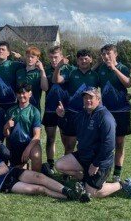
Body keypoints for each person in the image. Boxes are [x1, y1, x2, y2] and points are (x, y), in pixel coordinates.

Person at [55, 88, 131, 201]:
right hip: (84, 156)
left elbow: (109, 145)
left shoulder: (105, 117)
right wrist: (61, 117)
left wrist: (96, 163)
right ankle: (87, 179)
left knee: (92, 193)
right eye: (85, 97)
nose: (87, 100)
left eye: (91, 97)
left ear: (98, 99)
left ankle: (122, 185)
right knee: (59, 165)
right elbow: (69, 129)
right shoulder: (82, 114)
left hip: (100, 161)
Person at [0, 136, 82, 201]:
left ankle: (67, 190)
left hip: (12, 172)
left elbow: (4, 169)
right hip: (3, 185)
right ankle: (71, 196)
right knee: (39, 189)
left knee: (40, 176)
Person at [52, 49, 100, 155]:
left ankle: (86, 169)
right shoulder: (71, 73)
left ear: (91, 59)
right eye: (81, 59)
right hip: (72, 114)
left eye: (86, 59)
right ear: (77, 61)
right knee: (70, 145)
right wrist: (59, 66)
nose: (83, 61)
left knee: (88, 145)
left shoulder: (96, 75)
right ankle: (67, 170)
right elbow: (56, 80)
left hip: (89, 114)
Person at [96, 44, 131, 182]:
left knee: (119, 142)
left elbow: (128, 84)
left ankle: (117, 173)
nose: (106, 56)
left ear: (115, 54)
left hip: (122, 111)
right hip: (106, 112)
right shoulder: (101, 69)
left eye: (108, 53)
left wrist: (114, 69)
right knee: (103, 142)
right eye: (103, 54)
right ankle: (101, 170)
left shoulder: (123, 67)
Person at [41, 46, 73, 174]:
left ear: (62, 57)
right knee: (50, 138)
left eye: (56, 57)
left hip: (66, 110)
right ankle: (50, 165)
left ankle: (66, 166)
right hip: (50, 109)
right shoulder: (45, 70)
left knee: (66, 140)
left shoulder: (70, 70)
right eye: (51, 57)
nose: (54, 60)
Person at [4, 84, 42, 172]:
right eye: (19, 93)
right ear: (16, 94)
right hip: (14, 145)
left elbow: (37, 136)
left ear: (30, 94)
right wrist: (6, 126)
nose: (21, 96)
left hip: (30, 144)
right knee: (17, 173)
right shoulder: (10, 111)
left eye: (24, 93)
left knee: (36, 156)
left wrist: (27, 150)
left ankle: (35, 178)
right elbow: (7, 135)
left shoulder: (35, 111)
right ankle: (22, 166)